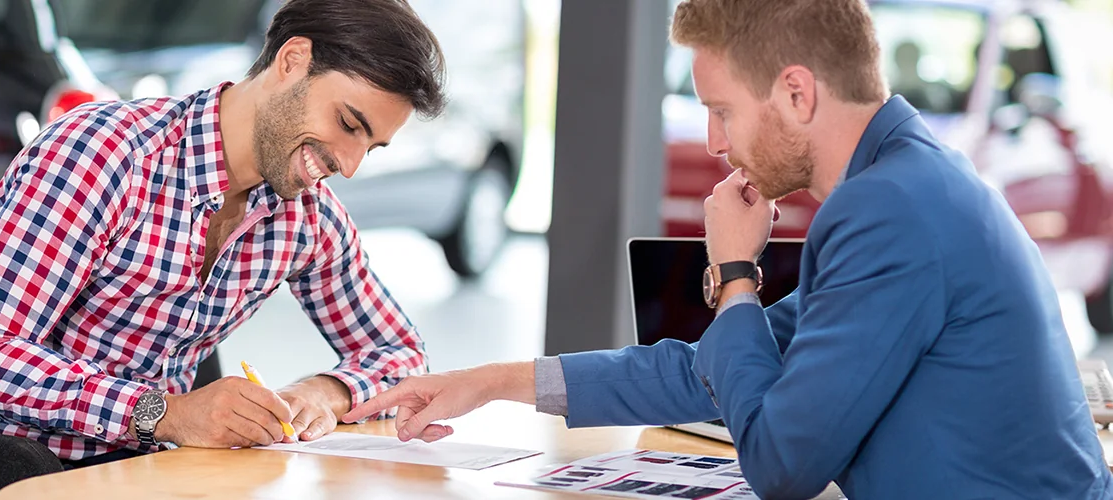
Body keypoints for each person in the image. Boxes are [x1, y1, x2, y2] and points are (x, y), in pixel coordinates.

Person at [343, 0, 1113, 497]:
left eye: (721, 110)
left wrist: (738, 274)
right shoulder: (903, 182)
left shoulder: (891, 210)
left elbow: (783, 464)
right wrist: (491, 382)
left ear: (797, 94)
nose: (713, 141)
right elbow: (717, 368)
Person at [0, 0, 444, 468]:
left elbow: (398, 351)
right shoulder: (99, 156)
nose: (349, 165)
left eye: (370, 147)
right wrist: (166, 413)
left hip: (143, 476)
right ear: (291, 60)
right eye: (348, 124)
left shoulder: (306, 218)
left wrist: (327, 392)